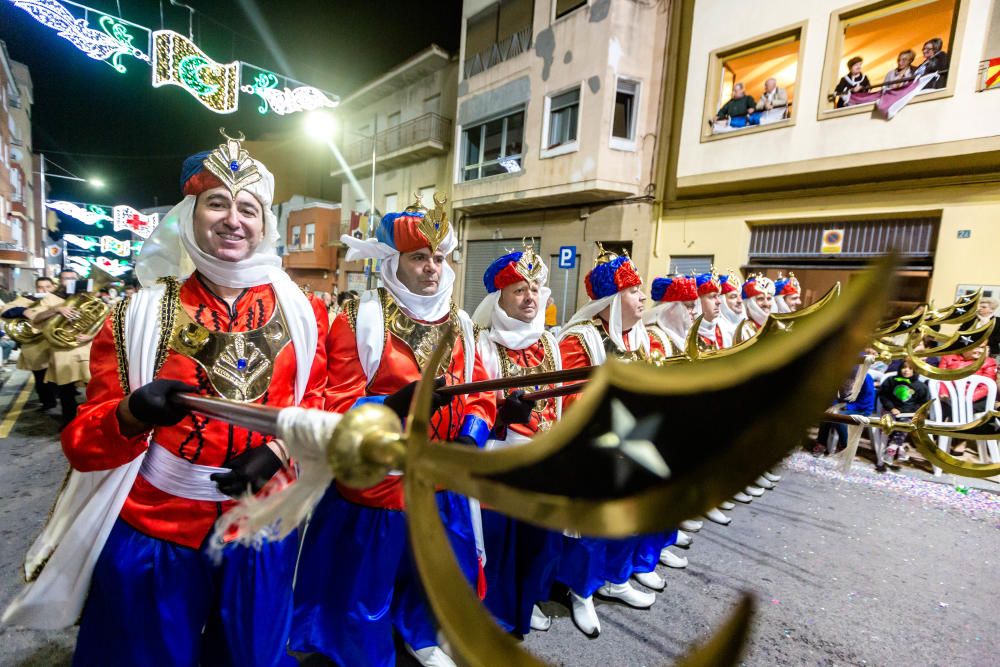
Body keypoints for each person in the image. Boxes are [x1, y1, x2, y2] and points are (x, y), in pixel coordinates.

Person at [46, 133, 329, 666]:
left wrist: (279, 453)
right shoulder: (137, 316)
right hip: (158, 530)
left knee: (251, 657)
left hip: (261, 526)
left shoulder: (305, 314)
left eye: (248, 208)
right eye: (217, 203)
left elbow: (315, 407)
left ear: (265, 224)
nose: (233, 220)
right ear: (188, 215)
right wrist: (132, 414)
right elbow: (82, 446)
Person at [292, 196, 495, 667]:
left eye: (438, 258)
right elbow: (336, 402)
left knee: (436, 572)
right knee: (368, 584)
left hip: (441, 480)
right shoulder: (360, 318)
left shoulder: (461, 324)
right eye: (419, 257)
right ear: (393, 261)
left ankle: (422, 634)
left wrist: (471, 436)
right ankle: (367, 654)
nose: (431, 268)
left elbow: (481, 392)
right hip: (379, 485)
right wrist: (387, 408)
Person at [471, 244, 562, 636]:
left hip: (542, 467)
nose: (530, 298)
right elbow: (473, 408)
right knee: (500, 546)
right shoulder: (483, 345)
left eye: (535, 289)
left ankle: (525, 604)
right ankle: (496, 614)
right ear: (500, 298)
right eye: (519, 290)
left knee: (536, 545)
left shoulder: (550, 344)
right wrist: (498, 417)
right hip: (499, 470)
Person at [24, 269, 94, 427]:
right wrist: (56, 309)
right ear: (60, 280)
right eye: (65, 278)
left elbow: (103, 320)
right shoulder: (51, 298)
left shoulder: (88, 298)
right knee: (66, 391)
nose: (69, 281)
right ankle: (69, 422)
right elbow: (36, 317)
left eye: (72, 278)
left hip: (85, 348)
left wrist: (92, 336)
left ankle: (92, 421)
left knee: (94, 389)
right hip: (61, 350)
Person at [0, 276, 57, 411]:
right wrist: (23, 311)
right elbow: (5, 310)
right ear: (36, 288)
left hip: (57, 343)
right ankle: (47, 402)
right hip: (35, 344)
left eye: (48, 287)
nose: (44, 290)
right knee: (41, 377)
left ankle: (59, 397)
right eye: (40, 287)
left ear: (53, 287)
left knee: (59, 375)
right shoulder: (27, 300)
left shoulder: (59, 299)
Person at [878, 359, 929, 471]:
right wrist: (892, 408)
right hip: (890, 411)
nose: (906, 370)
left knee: (905, 424)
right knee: (890, 423)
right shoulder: (891, 381)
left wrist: (910, 411)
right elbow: (883, 396)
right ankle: (898, 447)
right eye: (904, 367)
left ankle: (892, 448)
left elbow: (923, 403)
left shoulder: (921, 386)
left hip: (908, 413)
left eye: (910, 368)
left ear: (915, 371)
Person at [812, 369, 876, 456]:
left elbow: (866, 402)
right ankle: (821, 443)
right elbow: (834, 394)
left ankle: (844, 446)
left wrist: (845, 406)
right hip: (843, 405)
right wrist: (834, 405)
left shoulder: (866, 377)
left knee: (840, 417)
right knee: (827, 415)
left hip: (861, 409)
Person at [644, 274, 698, 357]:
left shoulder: (684, 337)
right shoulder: (652, 338)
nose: (694, 312)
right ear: (670, 308)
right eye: (688, 307)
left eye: (693, 307)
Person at [695, 271, 726, 349]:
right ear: (698, 301)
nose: (719, 302)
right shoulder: (687, 334)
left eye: (718, 296)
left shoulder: (722, 330)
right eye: (712, 297)